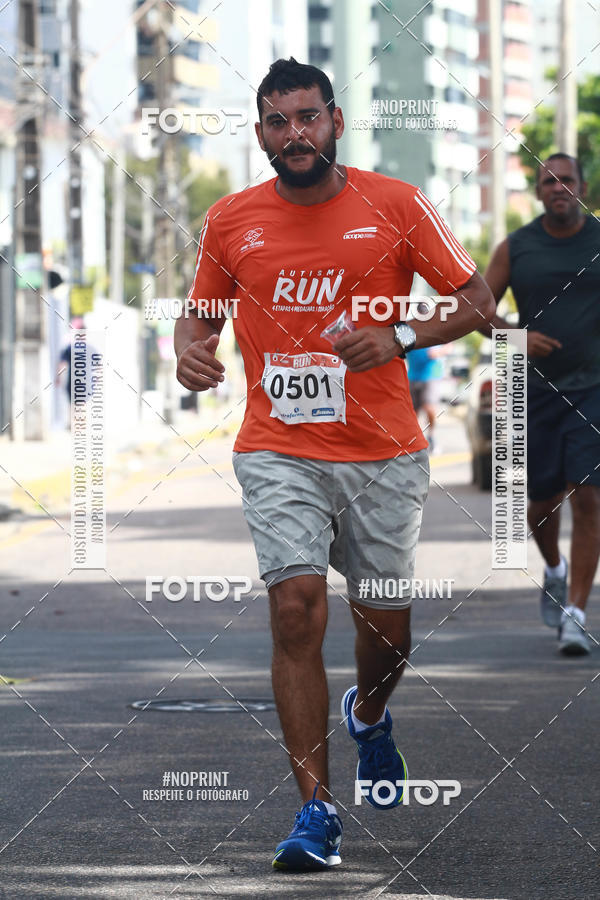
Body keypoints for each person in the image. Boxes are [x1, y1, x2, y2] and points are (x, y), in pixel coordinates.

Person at [175, 58, 494, 870]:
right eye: (278, 122)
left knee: (387, 632)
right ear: (261, 135)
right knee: (296, 608)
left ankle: (370, 715)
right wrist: (191, 352)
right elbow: (199, 317)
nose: (296, 134)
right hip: (277, 446)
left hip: (384, 452)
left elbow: (477, 302)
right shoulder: (230, 219)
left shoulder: (397, 204)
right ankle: (316, 810)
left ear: (336, 122)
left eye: (308, 117)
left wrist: (401, 335)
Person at [483, 153, 600, 656]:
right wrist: (517, 338)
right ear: (537, 192)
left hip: (593, 388)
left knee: (589, 496)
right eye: (548, 181)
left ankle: (576, 614)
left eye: (566, 180)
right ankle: (554, 568)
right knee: (539, 504)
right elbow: (477, 310)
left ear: (582, 187)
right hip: (532, 391)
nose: (558, 188)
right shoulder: (516, 247)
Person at [407, 344, 449, 453]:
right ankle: (415, 439)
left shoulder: (437, 331)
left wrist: (438, 352)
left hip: (431, 375)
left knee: (429, 407)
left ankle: (431, 436)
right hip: (412, 375)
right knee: (412, 412)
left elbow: (449, 345)